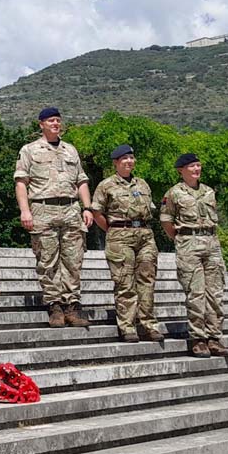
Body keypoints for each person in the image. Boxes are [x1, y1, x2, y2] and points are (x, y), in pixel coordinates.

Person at [14, 107, 93, 328]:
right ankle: (54, 306)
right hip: (43, 208)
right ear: (41, 124)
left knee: (73, 260)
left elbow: (81, 181)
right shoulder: (29, 150)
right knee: (47, 260)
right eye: (51, 121)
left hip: (70, 209)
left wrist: (87, 208)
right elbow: (21, 182)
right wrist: (25, 210)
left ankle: (72, 306)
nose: (55, 124)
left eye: (58, 120)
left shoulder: (71, 150)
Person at [89, 144, 164, 343]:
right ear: (116, 162)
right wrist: (113, 229)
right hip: (119, 235)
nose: (129, 161)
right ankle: (127, 326)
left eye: (131, 158)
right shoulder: (106, 185)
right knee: (124, 282)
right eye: (125, 158)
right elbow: (97, 212)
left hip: (145, 235)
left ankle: (148, 325)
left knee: (147, 281)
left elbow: (150, 209)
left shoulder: (142, 184)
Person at [162, 153, 228, 358]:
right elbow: (166, 220)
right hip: (188, 243)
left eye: (198, 165)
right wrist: (181, 239)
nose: (196, 169)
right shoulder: (174, 193)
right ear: (181, 170)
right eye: (192, 166)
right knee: (196, 293)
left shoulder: (209, 191)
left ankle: (214, 338)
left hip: (211, 242)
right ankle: (198, 339)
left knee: (215, 293)